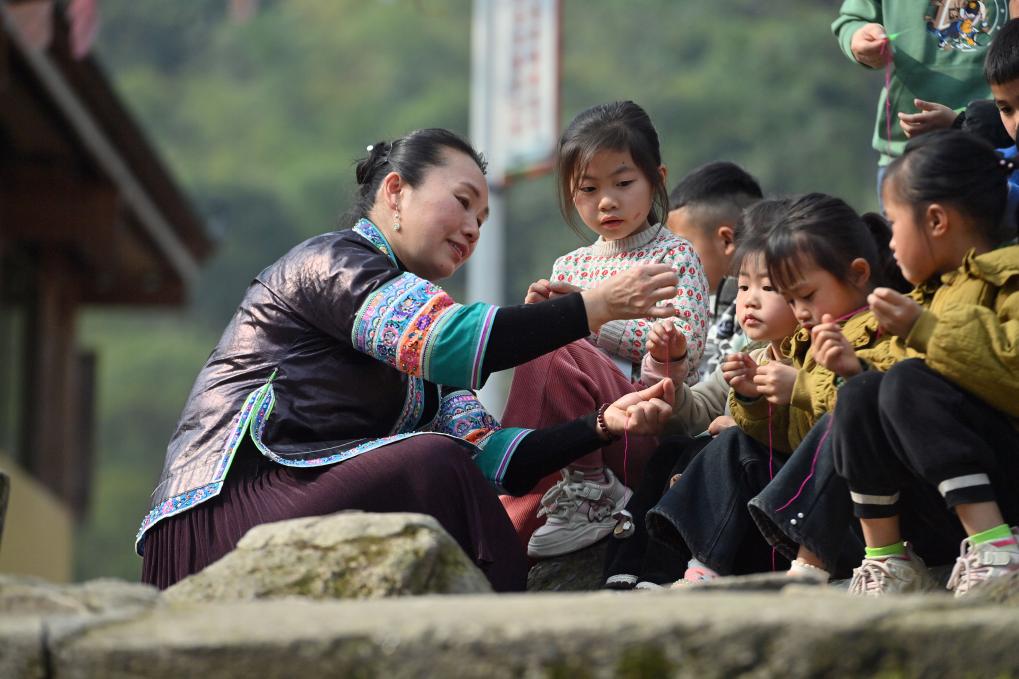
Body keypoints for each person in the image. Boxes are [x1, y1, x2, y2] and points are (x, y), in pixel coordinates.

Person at [136, 128, 680, 591]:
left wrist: (602, 424)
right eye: (462, 202)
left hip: (299, 498)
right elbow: (448, 343)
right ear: (395, 192)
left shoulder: (422, 337)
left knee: (450, 465)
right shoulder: (332, 262)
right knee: (435, 464)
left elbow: (493, 460)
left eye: (482, 218)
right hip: (220, 511)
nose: (473, 227)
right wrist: (597, 306)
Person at [647, 193, 902, 583]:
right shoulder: (798, 344)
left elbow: (866, 417)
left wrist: (800, 387)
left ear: (858, 274)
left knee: (734, 443)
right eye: (792, 299)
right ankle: (696, 570)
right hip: (813, 517)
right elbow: (789, 437)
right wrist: (752, 399)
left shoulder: (884, 329)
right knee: (730, 445)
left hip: (861, 521)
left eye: (805, 295)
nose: (801, 311)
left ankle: (790, 566)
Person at [498, 101, 711, 560]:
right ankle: (559, 482)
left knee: (557, 337)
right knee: (545, 341)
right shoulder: (570, 265)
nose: (606, 201)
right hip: (582, 434)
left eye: (623, 183)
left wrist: (588, 316)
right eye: (588, 189)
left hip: (645, 424)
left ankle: (588, 488)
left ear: (657, 179)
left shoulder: (674, 256)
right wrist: (540, 320)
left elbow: (686, 347)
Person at [830, 130, 1019, 596]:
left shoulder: (1010, 276)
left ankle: (997, 551)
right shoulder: (926, 298)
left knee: (906, 382)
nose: (890, 242)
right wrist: (851, 369)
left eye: (894, 223)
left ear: (935, 220)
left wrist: (927, 331)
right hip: (946, 500)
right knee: (861, 393)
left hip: (1005, 485)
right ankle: (888, 560)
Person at [603, 199, 797, 589]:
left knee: (726, 446)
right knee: (672, 450)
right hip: (743, 488)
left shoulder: (808, 366)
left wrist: (743, 427)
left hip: (777, 511)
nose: (749, 299)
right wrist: (671, 369)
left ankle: (693, 571)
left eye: (768, 287)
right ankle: (627, 574)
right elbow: (699, 409)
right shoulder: (752, 355)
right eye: (743, 286)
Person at [832, 0, 1011, 192]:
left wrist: (962, 122)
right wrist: (859, 38)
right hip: (907, 156)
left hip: (999, 150)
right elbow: (853, 20)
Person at [665, 161, 763, 382]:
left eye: (682, 247)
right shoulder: (687, 309)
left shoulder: (762, 315)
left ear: (727, 240)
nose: (672, 260)